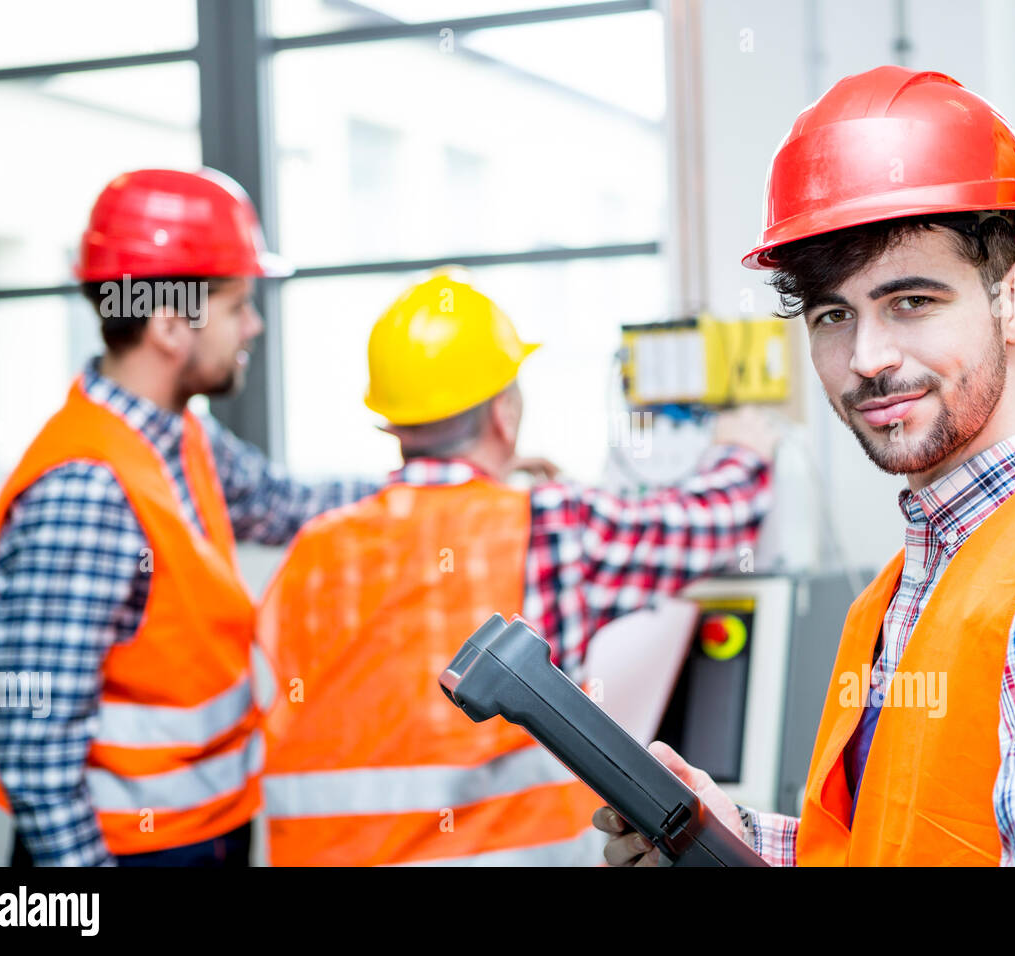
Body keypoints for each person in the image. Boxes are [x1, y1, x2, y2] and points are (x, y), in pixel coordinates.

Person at [597, 65, 1015, 866]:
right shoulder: (904, 586)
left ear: (1014, 298)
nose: (868, 358)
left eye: (912, 302)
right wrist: (730, 842)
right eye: (836, 315)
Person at [256, 272, 776, 865]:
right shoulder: (550, 524)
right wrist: (745, 446)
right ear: (504, 414)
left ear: (394, 425)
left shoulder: (317, 546)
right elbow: (715, 520)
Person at [0, 168, 381, 867]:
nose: (253, 325)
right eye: (237, 307)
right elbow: (37, 757)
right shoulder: (86, 487)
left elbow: (287, 502)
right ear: (171, 323)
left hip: (207, 830)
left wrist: (441, 474)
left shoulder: (180, 435)